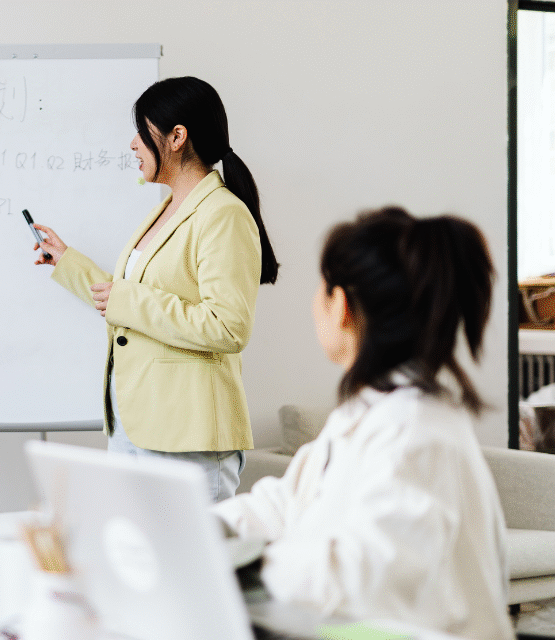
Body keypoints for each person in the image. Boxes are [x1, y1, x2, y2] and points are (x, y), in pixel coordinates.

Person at [213, 207, 513, 639]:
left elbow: (360, 576)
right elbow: (287, 503)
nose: (313, 302)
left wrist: (243, 563)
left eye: (321, 286)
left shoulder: (416, 432)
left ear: (342, 306)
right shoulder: (368, 413)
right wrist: (207, 525)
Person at [33, 76, 278, 502]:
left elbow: (228, 326)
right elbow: (127, 298)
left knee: (193, 567)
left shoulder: (223, 214)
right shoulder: (164, 209)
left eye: (141, 131)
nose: (132, 144)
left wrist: (128, 299)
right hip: (136, 425)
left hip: (187, 435)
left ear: (177, 137)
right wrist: (68, 261)